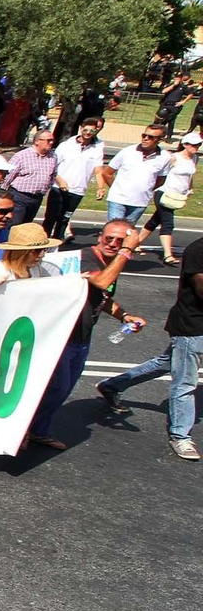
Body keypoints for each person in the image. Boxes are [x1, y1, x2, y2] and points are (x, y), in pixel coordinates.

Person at [92, 232, 202, 461]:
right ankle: (180, 436)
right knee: (185, 381)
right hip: (193, 326)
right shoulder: (198, 251)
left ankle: (112, 385)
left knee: (166, 363)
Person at [127, 131, 197, 265]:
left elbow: (189, 176)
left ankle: (134, 243)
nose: (196, 147)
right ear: (185, 144)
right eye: (193, 145)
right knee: (168, 222)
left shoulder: (194, 159)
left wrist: (189, 189)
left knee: (155, 220)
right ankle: (167, 255)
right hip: (164, 193)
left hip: (177, 196)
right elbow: (160, 172)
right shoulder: (173, 157)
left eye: (198, 145)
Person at [43, 117, 104, 242]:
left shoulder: (97, 148)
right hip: (58, 188)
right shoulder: (66, 146)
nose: (88, 133)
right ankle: (41, 243)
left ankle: (56, 245)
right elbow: (52, 166)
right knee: (50, 218)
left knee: (64, 219)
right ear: (81, 128)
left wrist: (101, 187)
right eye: (86, 130)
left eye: (92, 131)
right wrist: (60, 181)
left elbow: (98, 170)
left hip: (77, 191)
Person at [97, 123, 171, 224]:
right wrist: (117, 188)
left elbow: (161, 180)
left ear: (160, 139)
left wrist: (146, 188)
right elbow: (107, 173)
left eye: (150, 137)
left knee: (128, 233)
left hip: (140, 202)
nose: (145, 138)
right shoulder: (128, 151)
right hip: (118, 199)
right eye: (144, 135)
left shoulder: (165, 157)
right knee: (114, 229)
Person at [0, 222, 61, 294]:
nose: (42, 255)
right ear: (19, 252)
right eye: (36, 251)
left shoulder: (37, 269)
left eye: (44, 249)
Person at [0, 128, 58, 227]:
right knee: (14, 224)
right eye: (48, 140)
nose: (51, 143)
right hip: (19, 196)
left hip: (37, 197)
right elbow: (8, 176)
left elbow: (52, 175)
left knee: (26, 226)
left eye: (52, 140)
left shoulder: (53, 157)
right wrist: (3, 194)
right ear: (37, 141)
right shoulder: (22, 156)